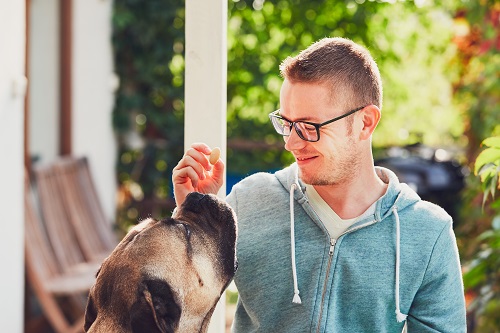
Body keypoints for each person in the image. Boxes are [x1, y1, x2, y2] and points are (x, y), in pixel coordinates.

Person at [172, 37, 466, 332]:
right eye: (286, 123)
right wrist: (195, 220)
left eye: (308, 127)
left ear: (365, 123)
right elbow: (174, 307)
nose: (291, 143)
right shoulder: (247, 203)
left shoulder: (427, 233)